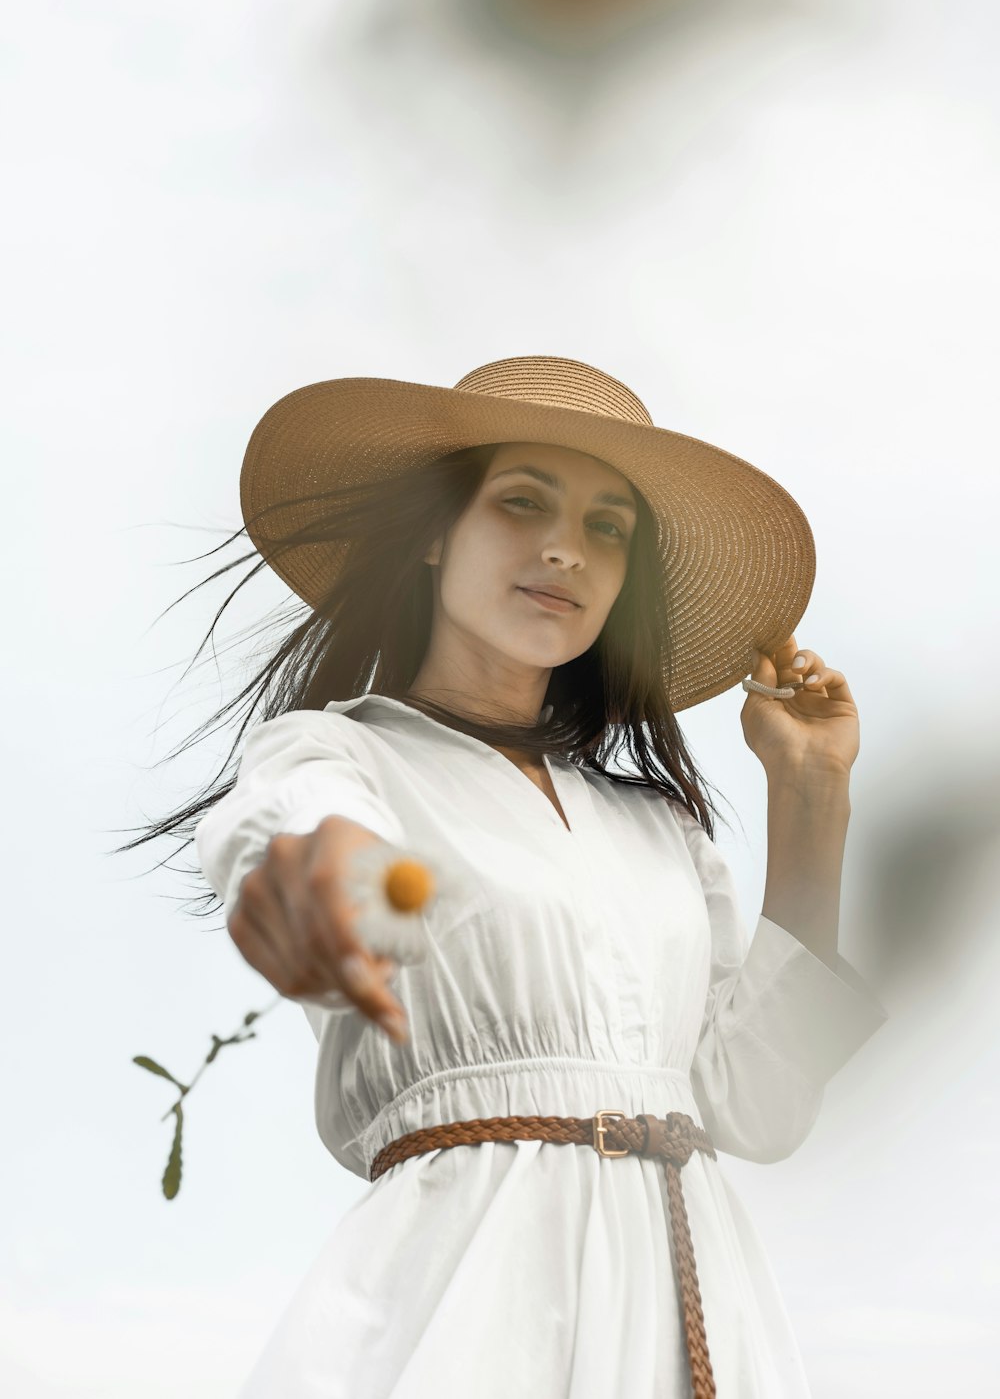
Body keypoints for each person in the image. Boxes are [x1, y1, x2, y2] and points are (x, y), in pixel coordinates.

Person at [178, 353, 887, 1396]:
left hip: (688, 1297)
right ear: (431, 532)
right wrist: (327, 877)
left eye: (609, 528)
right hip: (469, 1289)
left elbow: (756, 1113)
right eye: (521, 502)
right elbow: (305, 834)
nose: (566, 549)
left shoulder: (655, 825)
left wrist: (811, 796)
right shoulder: (341, 755)